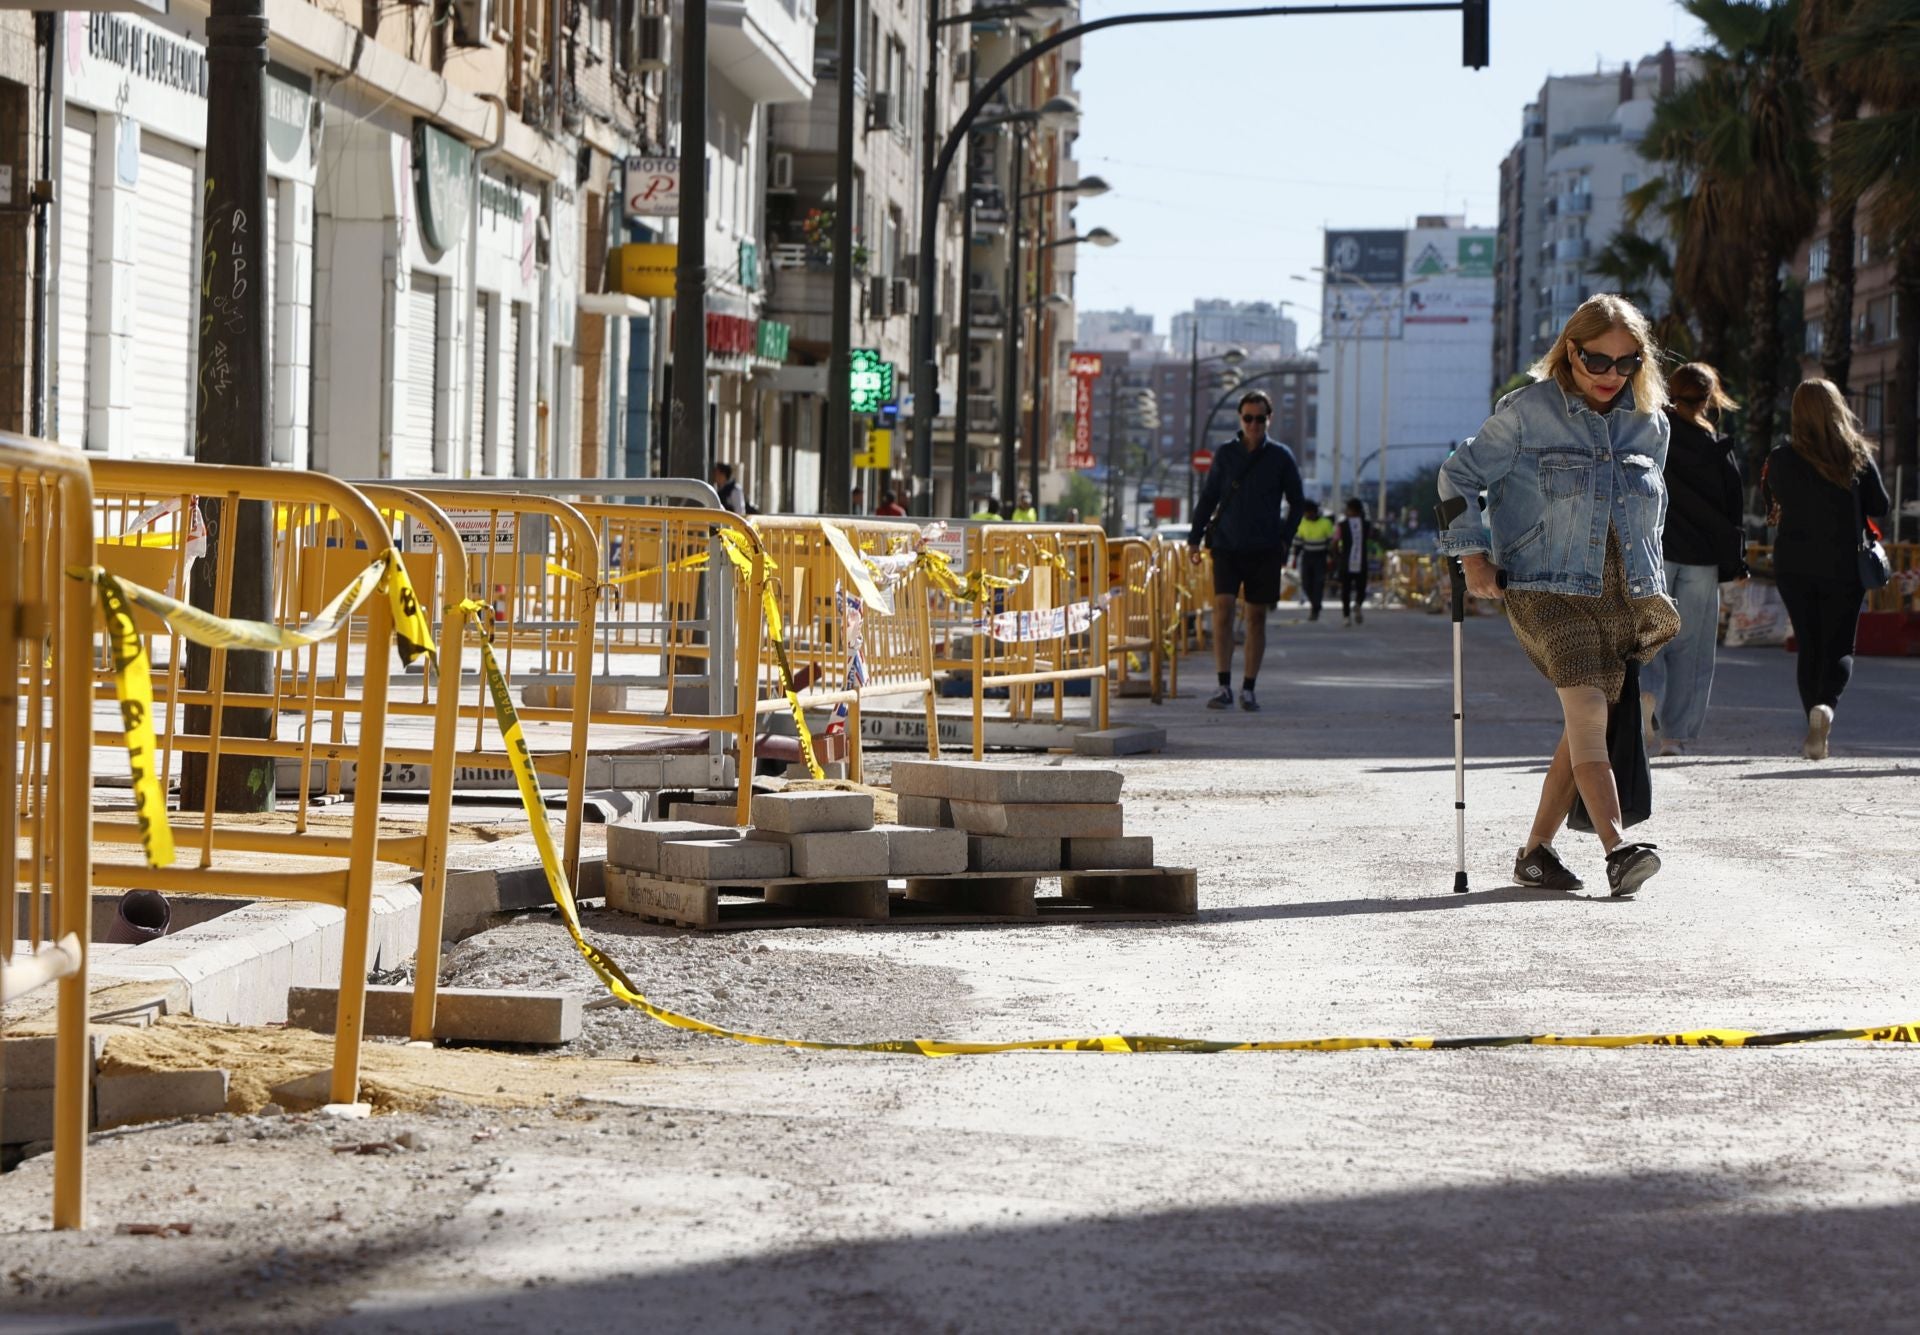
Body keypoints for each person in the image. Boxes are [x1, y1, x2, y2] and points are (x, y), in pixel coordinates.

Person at [1438, 293, 1677, 898]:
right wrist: (1472, 557)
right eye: (1598, 361)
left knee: (1580, 727)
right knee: (1591, 716)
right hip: (1545, 590)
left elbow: (1651, 512)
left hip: (1620, 597)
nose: (1612, 376)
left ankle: (1536, 853)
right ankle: (1617, 850)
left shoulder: (1651, 421)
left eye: (1626, 364)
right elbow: (1458, 475)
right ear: (1571, 350)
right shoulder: (1527, 411)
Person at [1764, 378, 1890, 760]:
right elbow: (1880, 506)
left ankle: (1812, 725)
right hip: (1843, 566)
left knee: (1809, 645)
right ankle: (1827, 707)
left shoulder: (1781, 458)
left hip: (1793, 565)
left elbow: (1772, 502)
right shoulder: (1855, 455)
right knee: (1838, 647)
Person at [1639, 363, 1748, 757]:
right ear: (1708, 398)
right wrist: (1736, 560)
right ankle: (1675, 735)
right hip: (1701, 559)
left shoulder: (1653, 433)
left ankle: (1646, 695)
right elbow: (1733, 504)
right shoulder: (1714, 446)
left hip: (1656, 553)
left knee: (1648, 637)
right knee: (1693, 648)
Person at [1187, 389, 1306, 712]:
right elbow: (1209, 497)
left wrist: (1284, 538)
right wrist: (1194, 539)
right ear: (1240, 419)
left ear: (1269, 419)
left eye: (1260, 418)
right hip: (1226, 545)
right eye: (1248, 418)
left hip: (1265, 548)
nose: (1254, 424)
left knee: (1256, 617)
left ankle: (1249, 688)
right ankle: (1223, 685)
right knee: (1223, 610)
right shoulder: (1225, 454)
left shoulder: (1281, 457)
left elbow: (1297, 502)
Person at [1290, 499, 1334, 621]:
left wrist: (1331, 558)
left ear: (1314, 512)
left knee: (1318, 583)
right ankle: (1315, 604)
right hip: (1307, 557)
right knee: (1306, 583)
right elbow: (1298, 543)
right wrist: (1294, 558)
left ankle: (1315, 609)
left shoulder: (1325, 523)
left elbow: (1330, 543)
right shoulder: (1302, 523)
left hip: (1320, 557)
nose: (1307, 515)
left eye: (1308, 513)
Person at [1335, 497, 1373, 626]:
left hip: (1346, 562)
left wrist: (1337, 556)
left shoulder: (1342, 525)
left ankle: (1347, 616)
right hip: (1361, 562)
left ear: (1353, 510)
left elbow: (1335, 541)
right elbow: (1372, 537)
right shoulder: (1366, 524)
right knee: (1360, 588)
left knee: (1346, 590)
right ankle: (1356, 605)